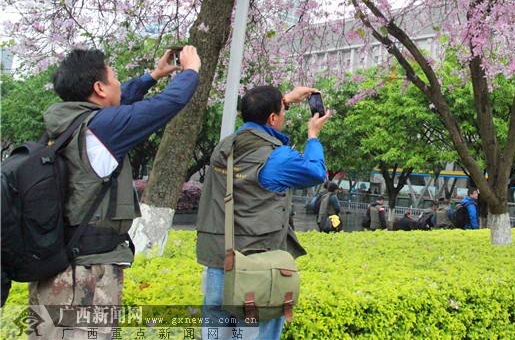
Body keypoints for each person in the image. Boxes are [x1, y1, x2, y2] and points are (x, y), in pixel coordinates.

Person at [29, 46, 200, 338]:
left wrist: (153, 75)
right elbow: (167, 104)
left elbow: (119, 104)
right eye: (114, 76)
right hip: (83, 277)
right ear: (98, 87)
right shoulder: (102, 129)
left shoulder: (68, 124)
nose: (119, 82)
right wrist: (191, 71)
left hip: (57, 268)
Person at [196, 85, 331, 340]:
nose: (285, 115)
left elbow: (257, 126)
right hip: (255, 270)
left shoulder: (225, 148)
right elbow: (315, 171)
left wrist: (284, 101)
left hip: (218, 261)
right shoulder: (275, 159)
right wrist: (313, 135)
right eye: (282, 111)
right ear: (272, 118)